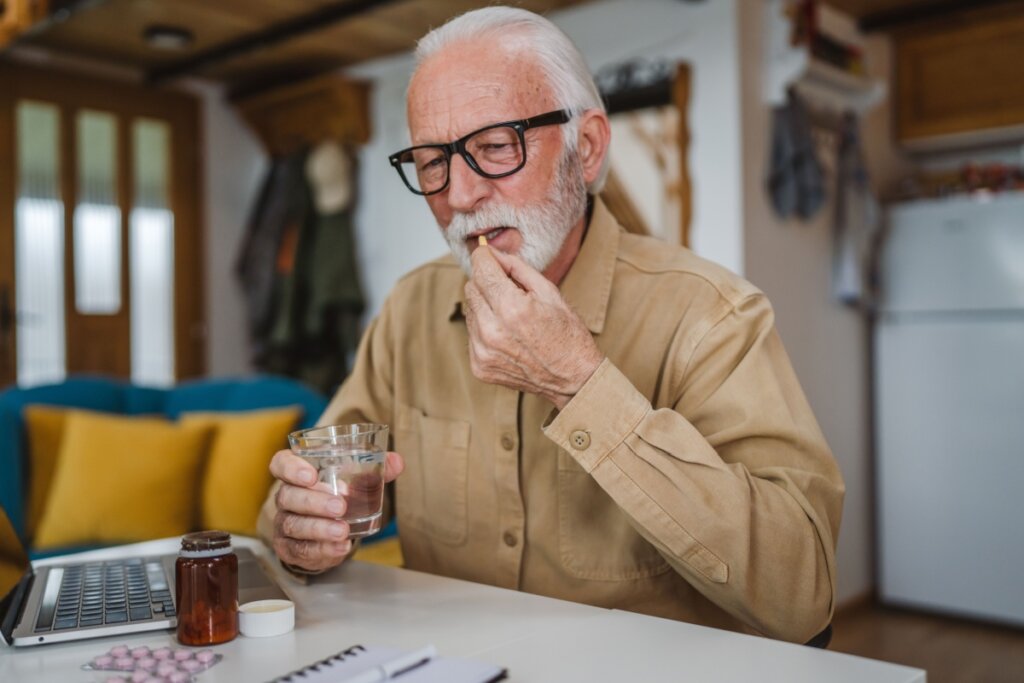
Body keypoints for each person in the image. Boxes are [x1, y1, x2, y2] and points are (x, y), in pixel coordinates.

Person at [258, 6, 844, 644]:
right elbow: (316, 493)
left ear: (585, 149)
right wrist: (299, 530)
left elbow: (803, 593)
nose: (458, 195)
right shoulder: (410, 311)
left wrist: (580, 385)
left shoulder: (712, 316)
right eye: (432, 162)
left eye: (494, 147)